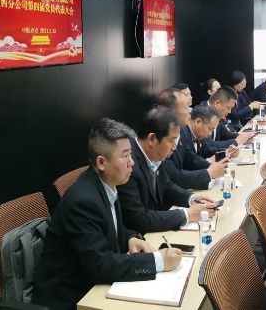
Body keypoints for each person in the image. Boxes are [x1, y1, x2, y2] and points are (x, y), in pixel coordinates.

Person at [33, 119, 182, 309]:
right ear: (101, 162)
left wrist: (130, 237)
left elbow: (110, 228)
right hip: (69, 298)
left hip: (91, 284)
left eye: (131, 154)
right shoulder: (83, 202)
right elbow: (101, 265)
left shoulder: (106, 184)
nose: (132, 163)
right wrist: (158, 261)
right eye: (125, 156)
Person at [118, 106, 218, 234]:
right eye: (172, 141)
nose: (174, 147)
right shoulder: (128, 164)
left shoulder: (155, 153)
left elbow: (167, 185)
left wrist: (191, 198)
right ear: (152, 139)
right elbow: (139, 219)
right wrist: (187, 214)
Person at [167, 103, 229, 190]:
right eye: (186, 107)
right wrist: (208, 173)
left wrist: (212, 167)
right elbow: (174, 177)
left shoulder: (195, 134)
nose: (189, 111)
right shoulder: (183, 133)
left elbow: (191, 157)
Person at [203, 87, 255, 152]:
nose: (229, 112)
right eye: (228, 107)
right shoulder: (202, 113)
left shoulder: (216, 112)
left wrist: (244, 138)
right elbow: (209, 144)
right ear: (217, 103)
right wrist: (236, 141)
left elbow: (225, 133)